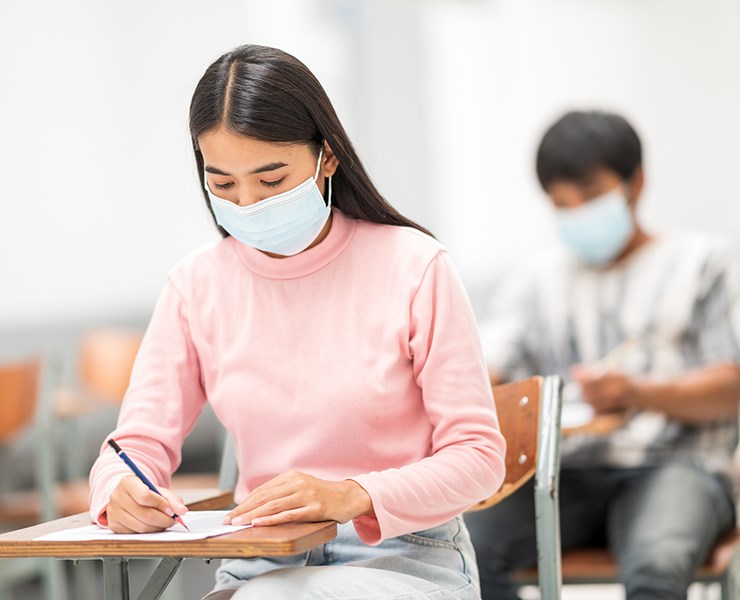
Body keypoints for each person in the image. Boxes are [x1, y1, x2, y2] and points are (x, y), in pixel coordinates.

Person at [88, 45, 505, 600]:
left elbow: (478, 458)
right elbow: (135, 446)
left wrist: (353, 494)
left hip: (404, 560)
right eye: (223, 184)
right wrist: (118, 489)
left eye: (272, 179)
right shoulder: (195, 287)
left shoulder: (415, 266)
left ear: (327, 157)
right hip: (258, 564)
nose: (248, 203)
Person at [465, 110, 740, 600]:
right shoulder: (536, 281)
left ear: (635, 183)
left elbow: (729, 389)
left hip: (680, 465)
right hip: (563, 472)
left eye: (592, 196)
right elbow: (487, 366)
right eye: (563, 203)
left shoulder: (709, 262)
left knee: (655, 567)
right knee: (467, 550)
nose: (578, 213)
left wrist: (636, 392)